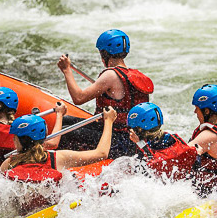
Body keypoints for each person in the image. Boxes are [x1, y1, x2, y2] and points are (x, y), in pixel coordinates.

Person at [56, 29, 153, 158]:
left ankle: (64, 163)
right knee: (65, 120)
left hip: (117, 141)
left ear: (104, 53)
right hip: (128, 138)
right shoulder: (133, 75)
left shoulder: (110, 75)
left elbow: (78, 98)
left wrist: (66, 70)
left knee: (63, 131)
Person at [0, 107, 117, 182]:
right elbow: (101, 153)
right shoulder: (58, 158)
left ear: (17, 140)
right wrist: (109, 121)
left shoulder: (9, 163)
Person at [127, 102, 197, 181]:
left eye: (135, 129)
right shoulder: (170, 138)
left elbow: (155, 165)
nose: (132, 132)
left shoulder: (165, 142)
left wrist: (140, 143)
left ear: (142, 128)